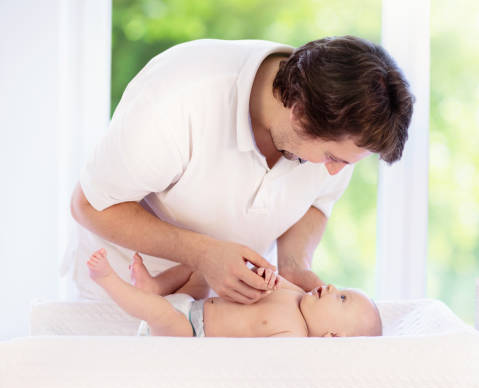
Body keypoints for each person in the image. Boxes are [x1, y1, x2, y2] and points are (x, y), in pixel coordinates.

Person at [69, 35, 414, 305]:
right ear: (299, 114)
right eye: (331, 158)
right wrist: (201, 253)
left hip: (220, 310)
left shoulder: (343, 129)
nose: (334, 172)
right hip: (119, 295)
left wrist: (294, 264)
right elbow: (89, 204)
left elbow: (316, 202)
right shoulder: (177, 100)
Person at [87, 248, 383, 338]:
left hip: (189, 333)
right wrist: (264, 277)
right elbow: (269, 282)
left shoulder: (294, 338)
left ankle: (108, 280)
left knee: (158, 312)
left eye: (342, 298)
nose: (332, 287)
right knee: (204, 266)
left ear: (332, 338)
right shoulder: (296, 294)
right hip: (194, 302)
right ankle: (156, 286)